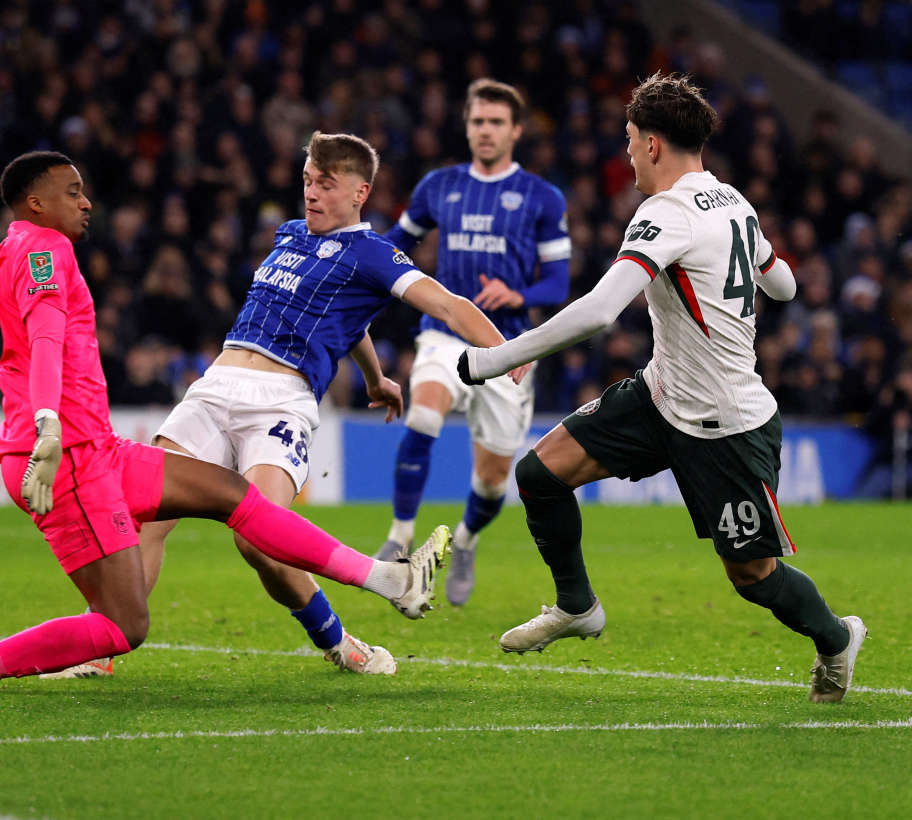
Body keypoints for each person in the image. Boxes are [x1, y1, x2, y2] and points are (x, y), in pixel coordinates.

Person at [0, 152, 452, 692]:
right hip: (67, 458)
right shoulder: (45, 252)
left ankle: (390, 579)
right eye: (72, 192)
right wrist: (49, 427)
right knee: (123, 624)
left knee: (235, 498)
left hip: (91, 452)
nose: (86, 203)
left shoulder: (12, 248)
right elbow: (48, 339)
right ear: (35, 202)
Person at [458, 73, 865, 703]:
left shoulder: (667, 212)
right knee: (540, 474)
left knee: (753, 576)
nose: (625, 154)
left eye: (628, 140)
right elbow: (781, 284)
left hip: (727, 423)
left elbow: (599, 312)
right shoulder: (734, 202)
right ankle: (577, 607)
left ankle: (837, 639)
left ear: (652, 145)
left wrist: (497, 360)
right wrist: (767, 270)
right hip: (660, 396)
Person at [116, 133, 527, 678]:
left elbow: (447, 305)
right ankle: (106, 645)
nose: (310, 193)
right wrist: (375, 377)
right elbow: (343, 319)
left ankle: (338, 643)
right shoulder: (290, 235)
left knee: (258, 539)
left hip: (279, 403)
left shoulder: (375, 254)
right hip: (214, 388)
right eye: (307, 180)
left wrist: (505, 350)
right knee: (143, 517)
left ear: (360, 192)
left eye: (325, 184)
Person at [380, 79, 570, 608]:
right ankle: (398, 537)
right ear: (466, 127)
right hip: (443, 334)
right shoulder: (438, 186)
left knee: (491, 483)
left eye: (495, 122)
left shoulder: (542, 197)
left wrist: (518, 291)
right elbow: (397, 244)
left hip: (508, 346)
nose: (484, 131)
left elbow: (557, 283)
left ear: (515, 130)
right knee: (423, 416)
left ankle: (464, 543)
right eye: (476, 121)